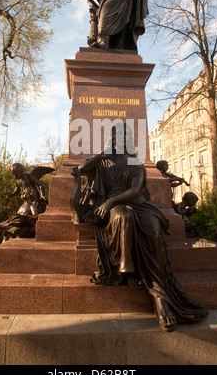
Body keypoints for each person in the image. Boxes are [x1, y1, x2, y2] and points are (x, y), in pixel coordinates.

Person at [76, 125, 207, 332]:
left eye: (125, 137)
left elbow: (136, 190)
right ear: (113, 139)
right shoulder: (104, 160)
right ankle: (130, 270)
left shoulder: (135, 162)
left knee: (154, 230)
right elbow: (82, 169)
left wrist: (110, 202)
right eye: (117, 137)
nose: (121, 140)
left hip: (138, 202)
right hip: (114, 205)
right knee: (124, 217)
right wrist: (102, 155)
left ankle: (160, 298)